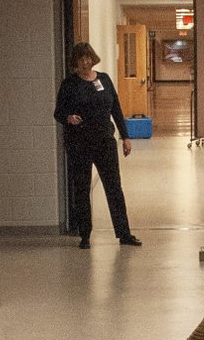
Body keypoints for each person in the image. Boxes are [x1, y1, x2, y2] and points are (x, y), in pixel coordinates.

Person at [53, 42, 141, 249]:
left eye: (88, 58)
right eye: (81, 59)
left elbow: (116, 109)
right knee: (82, 188)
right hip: (79, 143)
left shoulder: (104, 80)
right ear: (75, 62)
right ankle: (85, 234)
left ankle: (124, 233)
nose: (85, 62)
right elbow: (58, 112)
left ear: (93, 58)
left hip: (104, 141)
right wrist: (68, 117)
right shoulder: (69, 84)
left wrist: (125, 137)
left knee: (114, 187)